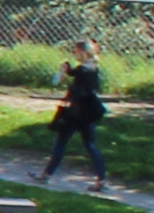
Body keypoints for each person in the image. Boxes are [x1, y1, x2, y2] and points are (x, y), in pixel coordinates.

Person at [39, 44, 113, 187]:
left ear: (84, 53)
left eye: (77, 52)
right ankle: (102, 178)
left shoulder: (82, 70)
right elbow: (78, 75)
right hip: (88, 113)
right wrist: (69, 71)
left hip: (75, 113)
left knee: (61, 142)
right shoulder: (94, 68)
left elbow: (65, 80)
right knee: (90, 145)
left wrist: (64, 72)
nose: (75, 55)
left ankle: (46, 174)